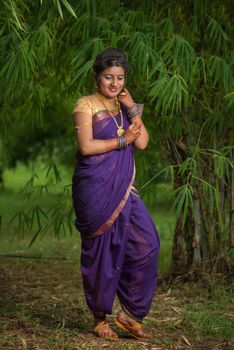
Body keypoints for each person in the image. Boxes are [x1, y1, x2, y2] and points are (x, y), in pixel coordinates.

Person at [72, 48, 160, 340]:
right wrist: (123, 141)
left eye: (120, 78)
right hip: (95, 188)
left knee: (148, 244)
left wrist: (132, 105)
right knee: (102, 252)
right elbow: (86, 146)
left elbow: (144, 142)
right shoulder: (85, 105)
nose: (114, 83)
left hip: (124, 188)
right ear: (96, 77)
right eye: (108, 77)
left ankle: (129, 314)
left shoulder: (126, 107)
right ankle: (100, 318)